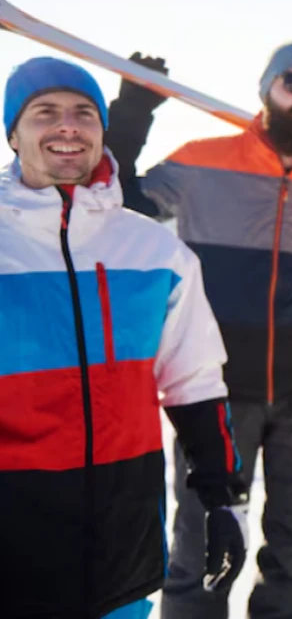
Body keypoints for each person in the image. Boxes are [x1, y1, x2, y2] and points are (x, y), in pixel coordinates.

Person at [105, 44, 292, 619]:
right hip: (213, 392)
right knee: (201, 549)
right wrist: (132, 114)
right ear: (266, 87)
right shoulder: (201, 162)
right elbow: (118, 202)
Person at [0, 57, 246, 619]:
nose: (68, 125)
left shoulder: (156, 252)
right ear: (13, 134)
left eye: (84, 112)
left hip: (123, 555)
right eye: (45, 112)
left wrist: (223, 500)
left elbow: (195, 383)